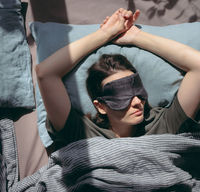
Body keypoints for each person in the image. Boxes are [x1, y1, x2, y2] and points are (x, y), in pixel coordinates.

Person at [35, 8, 200, 149]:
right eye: (122, 94)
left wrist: (136, 36)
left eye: (137, 89)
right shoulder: (80, 133)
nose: (137, 102)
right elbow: (45, 73)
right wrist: (104, 34)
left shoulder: (165, 124)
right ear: (100, 106)